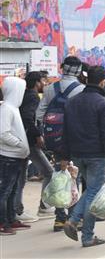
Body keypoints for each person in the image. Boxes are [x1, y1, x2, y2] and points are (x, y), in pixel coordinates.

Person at [60, 65, 105, 247]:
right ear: (102, 82)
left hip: (77, 154)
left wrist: (64, 156)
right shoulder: (103, 103)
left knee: (91, 190)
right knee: (94, 191)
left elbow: (65, 132)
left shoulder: (72, 102)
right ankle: (79, 226)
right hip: (96, 155)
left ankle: (84, 232)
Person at [36, 56, 85, 232]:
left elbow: (40, 113)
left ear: (62, 68)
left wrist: (44, 134)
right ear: (79, 71)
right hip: (73, 140)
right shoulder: (81, 89)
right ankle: (73, 217)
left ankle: (59, 218)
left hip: (55, 139)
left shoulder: (50, 88)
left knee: (59, 174)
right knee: (73, 176)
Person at [15, 72, 53, 224]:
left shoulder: (23, 95)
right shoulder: (32, 96)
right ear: (37, 83)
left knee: (21, 176)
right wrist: (38, 135)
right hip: (30, 142)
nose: (45, 83)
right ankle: (42, 206)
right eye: (43, 80)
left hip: (23, 140)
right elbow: (28, 119)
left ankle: (18, 209)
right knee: (48, 172)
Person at [0, 77, 31, 235]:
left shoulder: (13, 108)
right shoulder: (6, 108)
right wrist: (20, 144)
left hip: (16, 156)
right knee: (4, 191)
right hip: (9, 156)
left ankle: (11, 219)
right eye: (22, 89)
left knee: (12, 190)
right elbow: (3, 134)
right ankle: (2, 222)